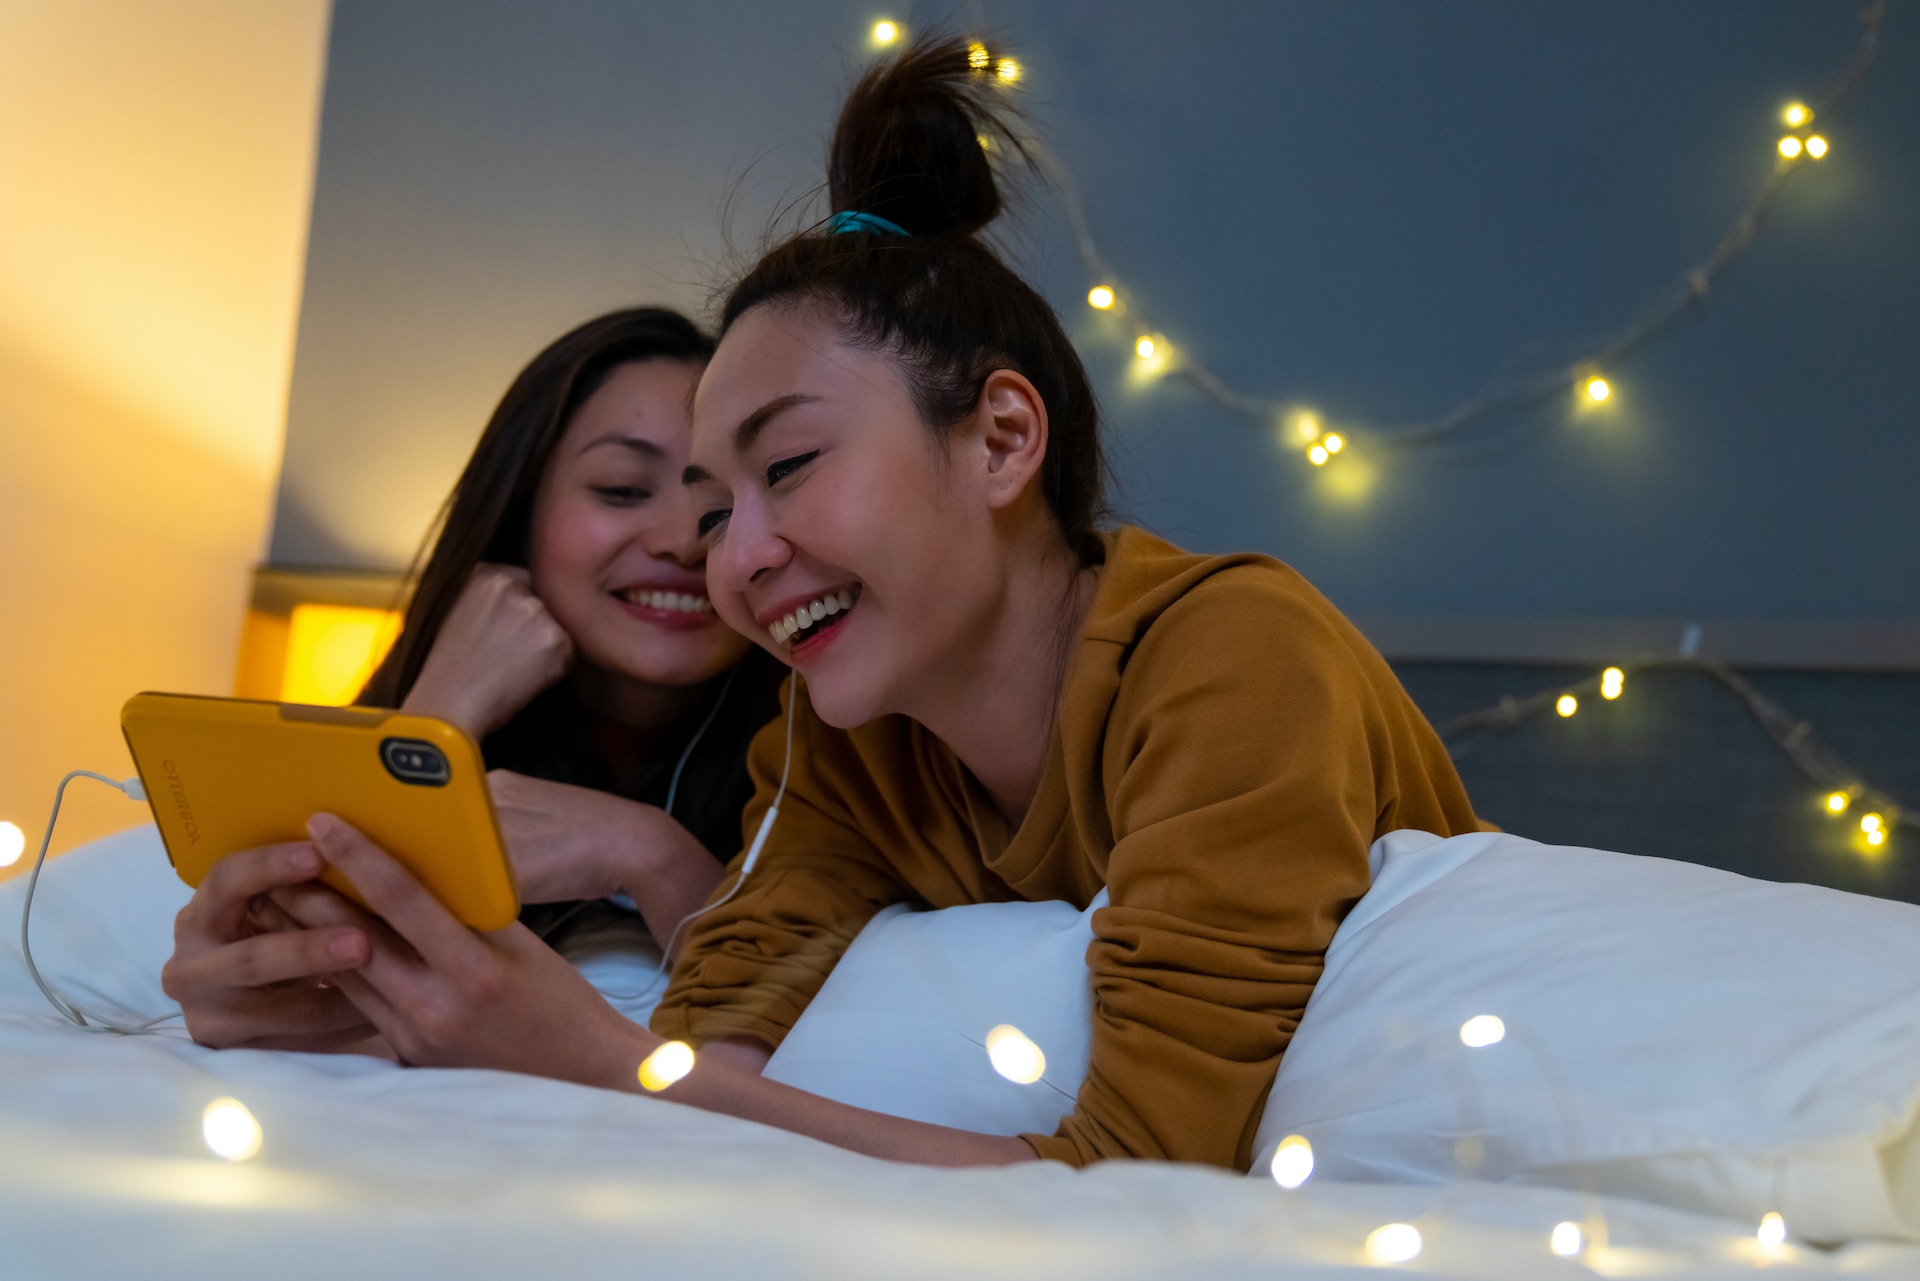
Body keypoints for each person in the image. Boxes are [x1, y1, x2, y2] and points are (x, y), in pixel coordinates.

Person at [266, 38, 1485, 1170]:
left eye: (788, 466)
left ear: (1002, 439)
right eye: (715, 511)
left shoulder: (1235, 660)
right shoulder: (839, 740)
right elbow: (724, 1017)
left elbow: (1141, 1187)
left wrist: (608, 1067)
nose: (734, 560)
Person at [161, 307, 780, 1052]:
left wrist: (649, 852)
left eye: (718, 507)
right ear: (521, 510)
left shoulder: (834, 750)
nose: (682, 540)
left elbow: (807, 1019)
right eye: (621, 489)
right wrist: (437, 715)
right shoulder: (453, 705)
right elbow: (304, 947)